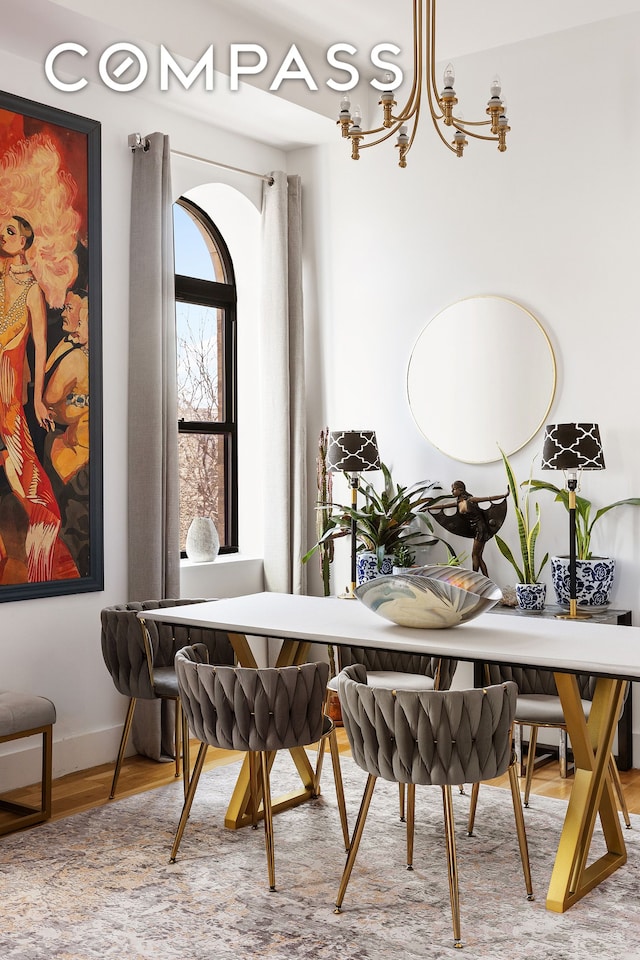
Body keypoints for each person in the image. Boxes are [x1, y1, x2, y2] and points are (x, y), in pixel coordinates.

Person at [0, 215, 78, 583]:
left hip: (11, 380)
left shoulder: (32, 289)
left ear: (26, 241)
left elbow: (40, 345)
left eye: (11, 231)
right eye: (3, 230)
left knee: (21, 464)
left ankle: (41, 545)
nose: (3, 235)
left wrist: (37, 401)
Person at [429, 480, 508, 578]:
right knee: (478, 556)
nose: (452, 491)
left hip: (481, 529)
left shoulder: (471, 500)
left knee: (474, 555)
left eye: (454, 489)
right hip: (475, 529)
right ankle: (486, 579)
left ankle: (474, 577)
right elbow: (444, 506)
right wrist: (429, 508)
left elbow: (488, 498)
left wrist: (504, 495)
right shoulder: (458, 502)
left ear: (461, 490)